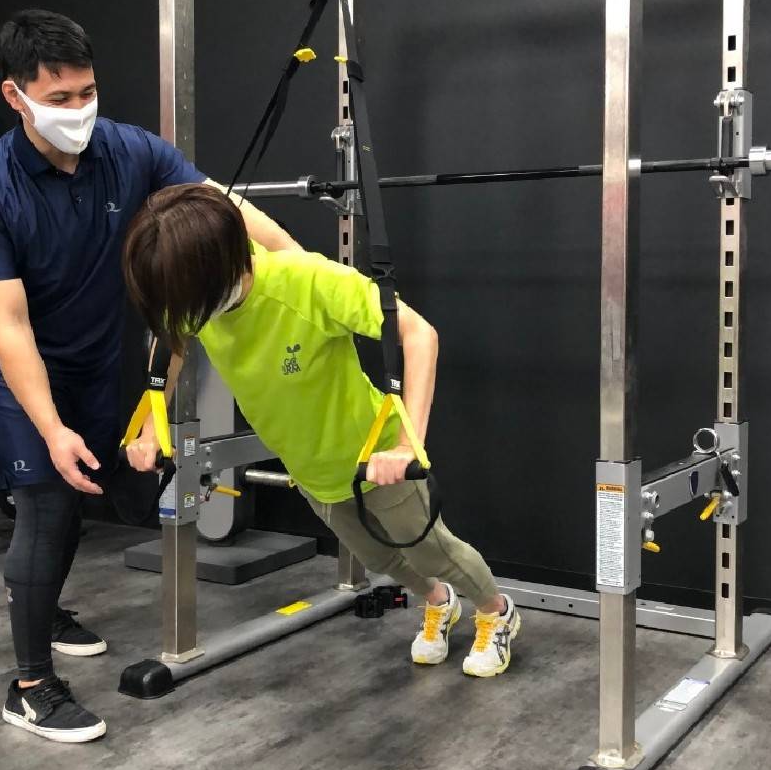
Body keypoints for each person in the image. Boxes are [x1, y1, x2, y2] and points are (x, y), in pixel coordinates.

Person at [0, 11, 299, 744]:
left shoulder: (127, 150)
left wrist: (302, 265)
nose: (79, 110)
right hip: (22, 369)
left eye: (87, 92)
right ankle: (30, 686)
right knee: (46, 503)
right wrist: (50, 427)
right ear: (15, 96)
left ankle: (47, 608)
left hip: (103, 354)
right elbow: (8, 330)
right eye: (60, 98)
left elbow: (220, 206)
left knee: (81, 500)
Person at [122, 183, 521, 684]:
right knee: (379, 557)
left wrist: (407, 444)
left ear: (223, 267)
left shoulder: (306, 280)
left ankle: (496, 610)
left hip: (373, 455)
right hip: (310, 467)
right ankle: (439, 602)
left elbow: (419, 334)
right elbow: (173, 340)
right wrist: (148, 428)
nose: (181, 314)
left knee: (431, 551)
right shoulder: (194, 295)